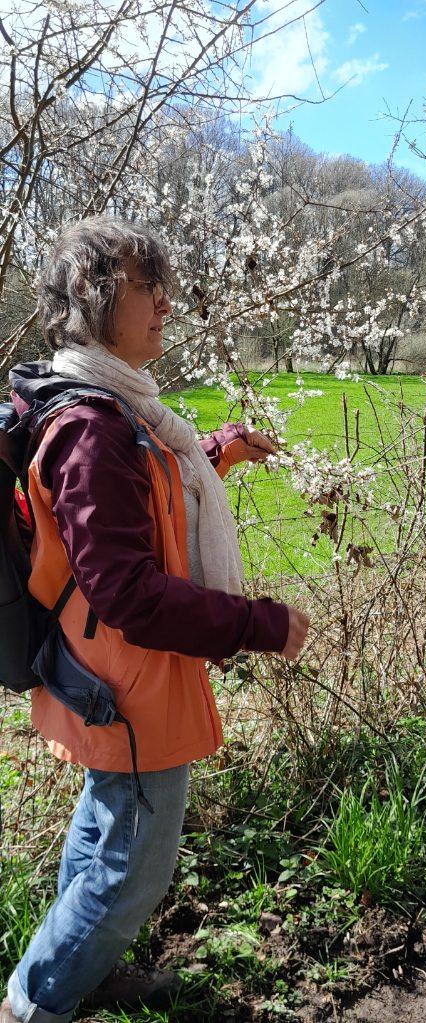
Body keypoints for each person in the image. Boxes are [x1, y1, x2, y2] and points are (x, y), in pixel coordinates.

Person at [1, 216, 309, 1023]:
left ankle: (74, 974)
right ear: (94, 298)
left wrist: (217, 449)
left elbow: (142, 494)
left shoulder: (108, 406)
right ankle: (36, 1002)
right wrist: (256, 623)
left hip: (108, 673)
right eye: (148, 286)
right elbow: (129, 592)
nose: (167, 303)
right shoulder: (93, 425)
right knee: (134, 867)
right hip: (126, 683)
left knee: (108, 831)